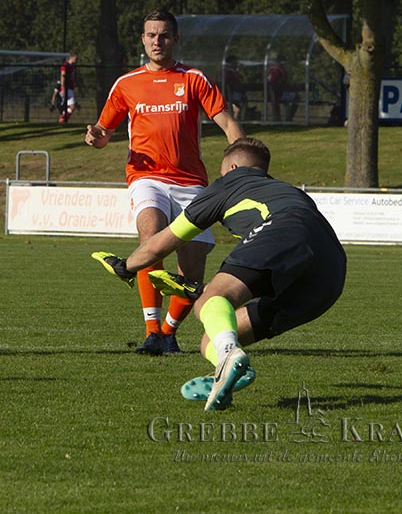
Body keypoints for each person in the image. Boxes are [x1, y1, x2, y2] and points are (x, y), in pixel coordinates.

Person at [93, 137, 347, 411]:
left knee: (210, 302)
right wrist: (200, 289)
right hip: (331, 269)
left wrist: (126, 267)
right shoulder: (286, 190)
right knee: (212, 338)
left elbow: (160, 244)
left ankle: (227, 355)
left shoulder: (229, 183)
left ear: (233, 168)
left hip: (281, 230)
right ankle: (230, 368)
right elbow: (283, 261)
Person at [85, 10, 244, 356]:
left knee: (192, 266)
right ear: (142, 39)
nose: (157, 41)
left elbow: (228, 123)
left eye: (164, 35)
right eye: (151, 35)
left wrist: (242, 166)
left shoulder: (194, 79)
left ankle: (169, 333)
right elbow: (103, 134)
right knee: (150, 233)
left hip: (191, 183)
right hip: (146, 178)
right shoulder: (126, 84)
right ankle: (152, 331)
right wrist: (96, 137)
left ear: (175, 39)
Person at [222, 55, 246, 120]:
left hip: (225, 94)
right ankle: (237, 118)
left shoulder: (223, 70)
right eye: (235, 62)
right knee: (241, 99)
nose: (237, 64)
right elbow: (236, 84)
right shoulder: (230, 72)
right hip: (230, 94)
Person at [58, 51, 79, 123]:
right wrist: (63, 88)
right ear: (72, 57)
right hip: (66, 88)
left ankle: (63, 119)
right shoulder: (65, 65)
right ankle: (63, 120)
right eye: (76, 58)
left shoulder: (72, 67)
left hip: (70, 88)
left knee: (68, 107)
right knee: (72, 106)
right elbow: (62, 76)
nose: (76, 60)